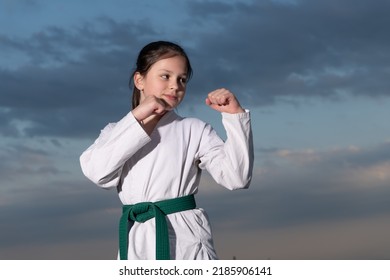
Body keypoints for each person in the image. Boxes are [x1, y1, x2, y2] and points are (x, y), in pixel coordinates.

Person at [79, 41, 254, 260]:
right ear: (139, 80)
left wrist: (234, 116)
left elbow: (236, 178)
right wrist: (138, 117)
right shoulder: (114, 132)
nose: (175, 85)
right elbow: (98, 173)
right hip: (136, 241)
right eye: (165, 76)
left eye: (182, 79)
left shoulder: (194, 129)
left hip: (185, 241)